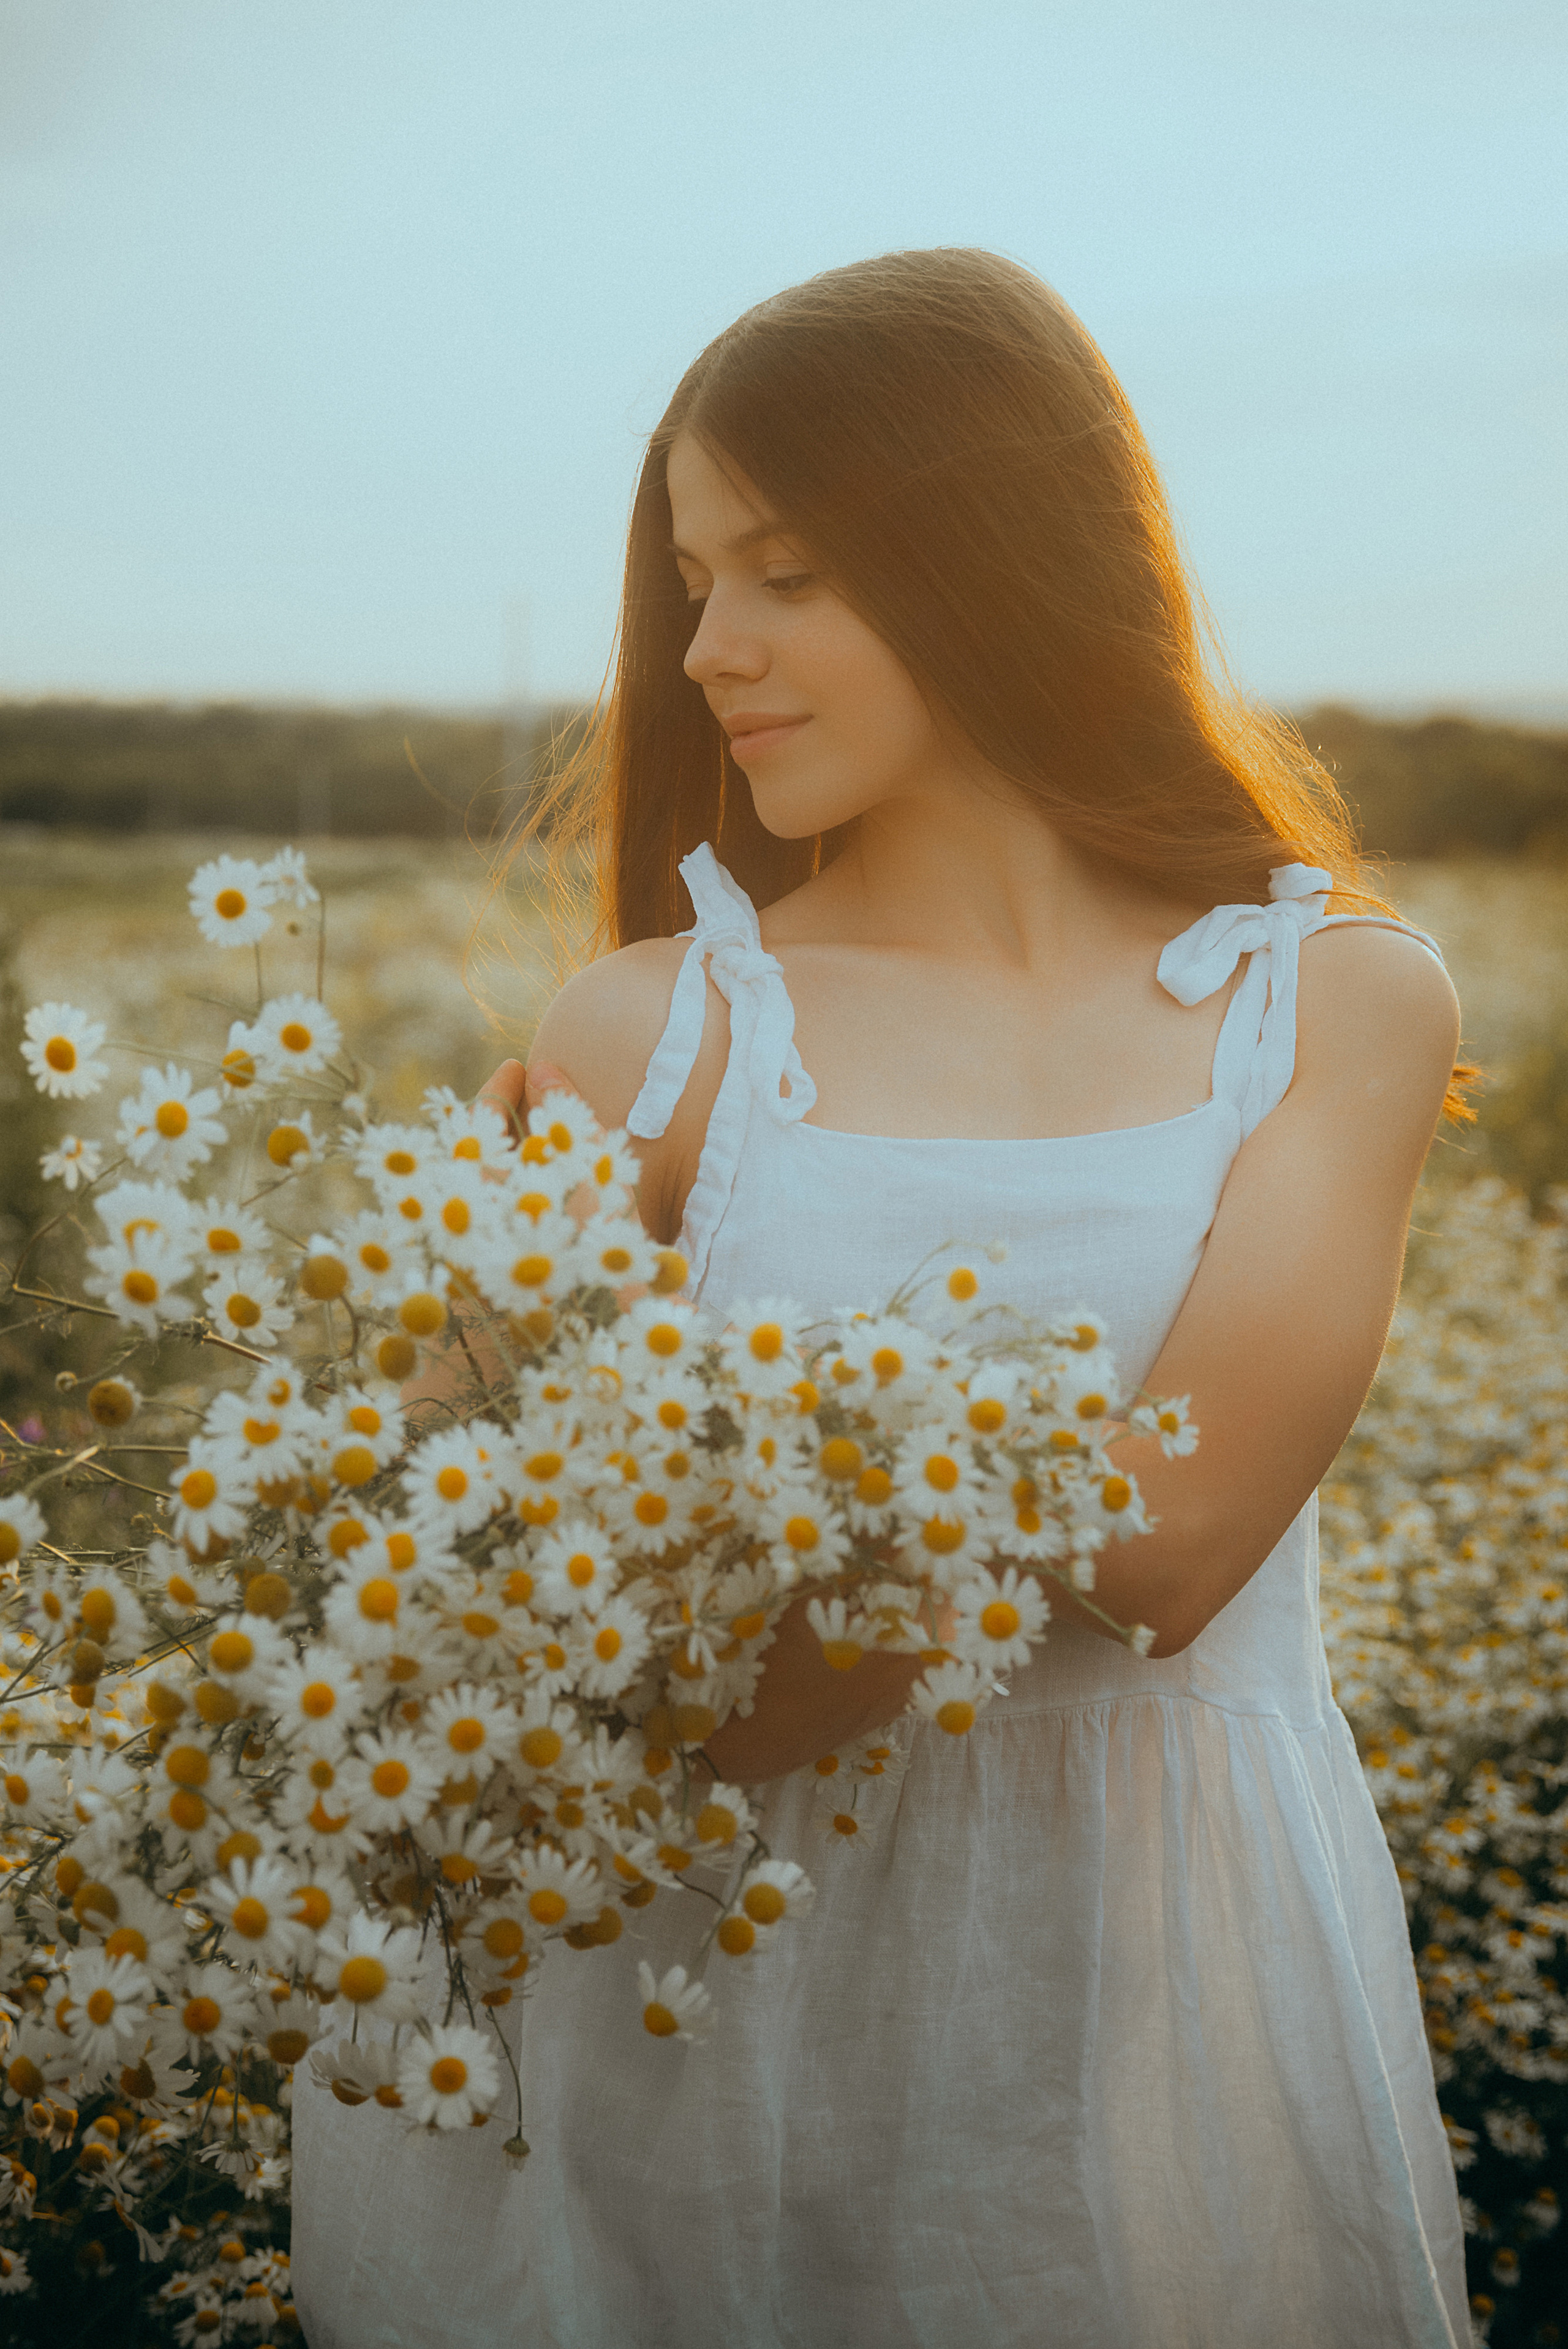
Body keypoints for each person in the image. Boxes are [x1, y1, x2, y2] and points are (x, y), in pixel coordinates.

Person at [291, 248, 1474, 2347]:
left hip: (1147, 2000)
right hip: (697, 2003)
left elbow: (1186, 1533)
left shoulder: (1328, 999)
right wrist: (435, 1384)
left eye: (789, 574)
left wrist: (767, 1534)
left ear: (999, 562)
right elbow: (453, 1596)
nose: (708, 647)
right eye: (692, 580)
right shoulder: (650, 1028)